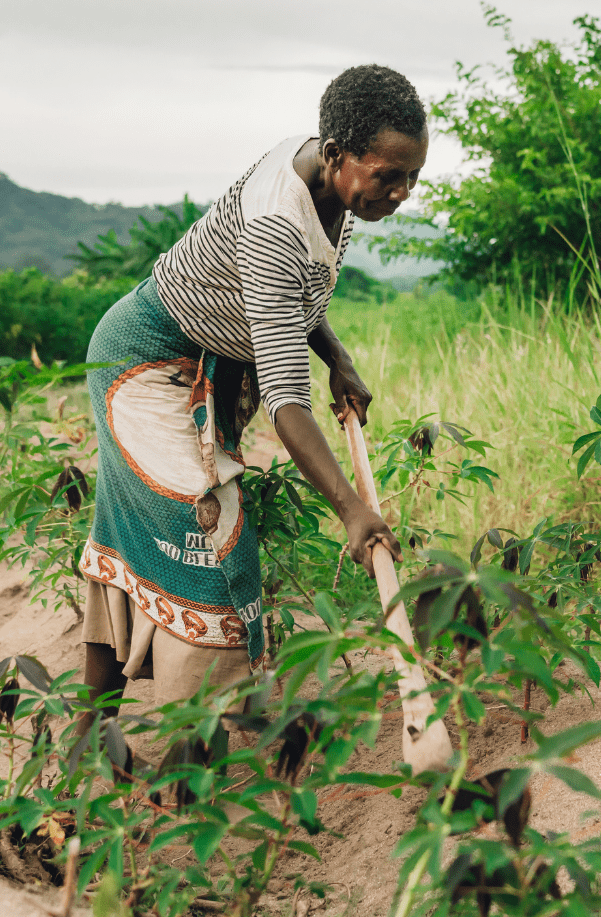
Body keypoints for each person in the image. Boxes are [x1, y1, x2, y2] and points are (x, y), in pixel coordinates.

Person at [77, 64, 425, 725]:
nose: (401, 191)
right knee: (212, 538)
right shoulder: (276, 223)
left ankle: (91, 740)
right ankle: (193, 749)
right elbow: (287, 403)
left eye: (412, 176)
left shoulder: (332, 181)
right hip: (146, 364)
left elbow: (298, 293)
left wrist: (339, 357)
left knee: (137, 544)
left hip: (210, 364)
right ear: (335, 155)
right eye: (388, 176)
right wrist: (352, 510)